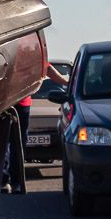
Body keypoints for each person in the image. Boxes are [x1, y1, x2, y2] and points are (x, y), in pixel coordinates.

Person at [5, 63, 69, 193]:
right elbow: (47, 68)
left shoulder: (30, 49)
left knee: (15, 144)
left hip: (17, 103)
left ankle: (13, 182)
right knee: (8, 143)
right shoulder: (25, 49)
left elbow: (46, 67)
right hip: (6, 104)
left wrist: (66, 83)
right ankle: (6, 182)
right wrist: (65, 82)